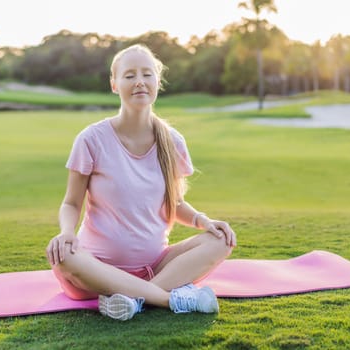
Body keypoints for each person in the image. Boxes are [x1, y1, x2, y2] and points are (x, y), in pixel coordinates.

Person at [46, 44, 237, 321]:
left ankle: (133, 301)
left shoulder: (173, 141)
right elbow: (71, 202)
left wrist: (203, 221)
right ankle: (169, 299)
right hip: (94, 270)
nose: (139, 82)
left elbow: (175, 203)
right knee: (63, 256)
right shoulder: (91, 139)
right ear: (114, 84)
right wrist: (66, 232)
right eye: (129, 75)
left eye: (147, 74)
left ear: (158, 82)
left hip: (156, 267)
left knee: (222, 240)